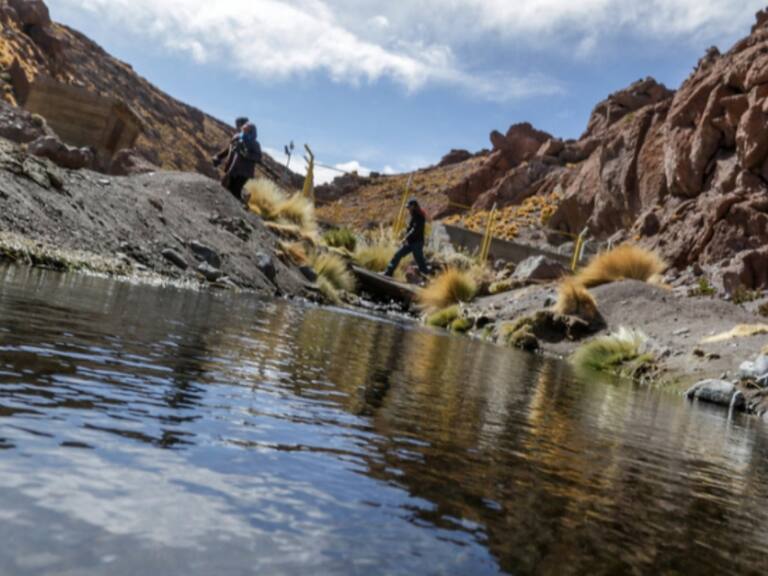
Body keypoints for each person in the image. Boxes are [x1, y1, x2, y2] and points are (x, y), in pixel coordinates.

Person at [384, 199, 431, 277]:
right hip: (410, 242)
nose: (408, 209)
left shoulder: (419, 216)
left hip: (417, 243)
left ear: (413, 206)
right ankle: (388, 273)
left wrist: (406, 237)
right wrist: (406, 237)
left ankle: (427, 278)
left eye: (409, 207)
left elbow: (414, 230)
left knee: (420, 261)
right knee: (397, 255)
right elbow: (411, 229)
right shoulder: (414, 215)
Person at [221, 122, 262, 201]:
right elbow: (230, 149)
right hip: (233, 169)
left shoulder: (254, 144)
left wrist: (247, 154)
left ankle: (242, 206)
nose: (244, 131)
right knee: (227, 186)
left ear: (251, 132)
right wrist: (220, 157)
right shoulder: (237, 138)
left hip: (244, 172)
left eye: (247, 130)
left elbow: (258, 157)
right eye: (244, 129)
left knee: (235, 190)